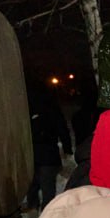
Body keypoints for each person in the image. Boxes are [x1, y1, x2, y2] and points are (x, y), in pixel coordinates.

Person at [25, 78, 72, 209]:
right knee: (48, 187)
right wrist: (67, 148)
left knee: (33, 184)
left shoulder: (28, 108)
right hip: (48, 154)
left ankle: (32, 208)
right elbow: (62, 129)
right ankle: (46, 211)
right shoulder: (52, 108)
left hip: (33, 154)